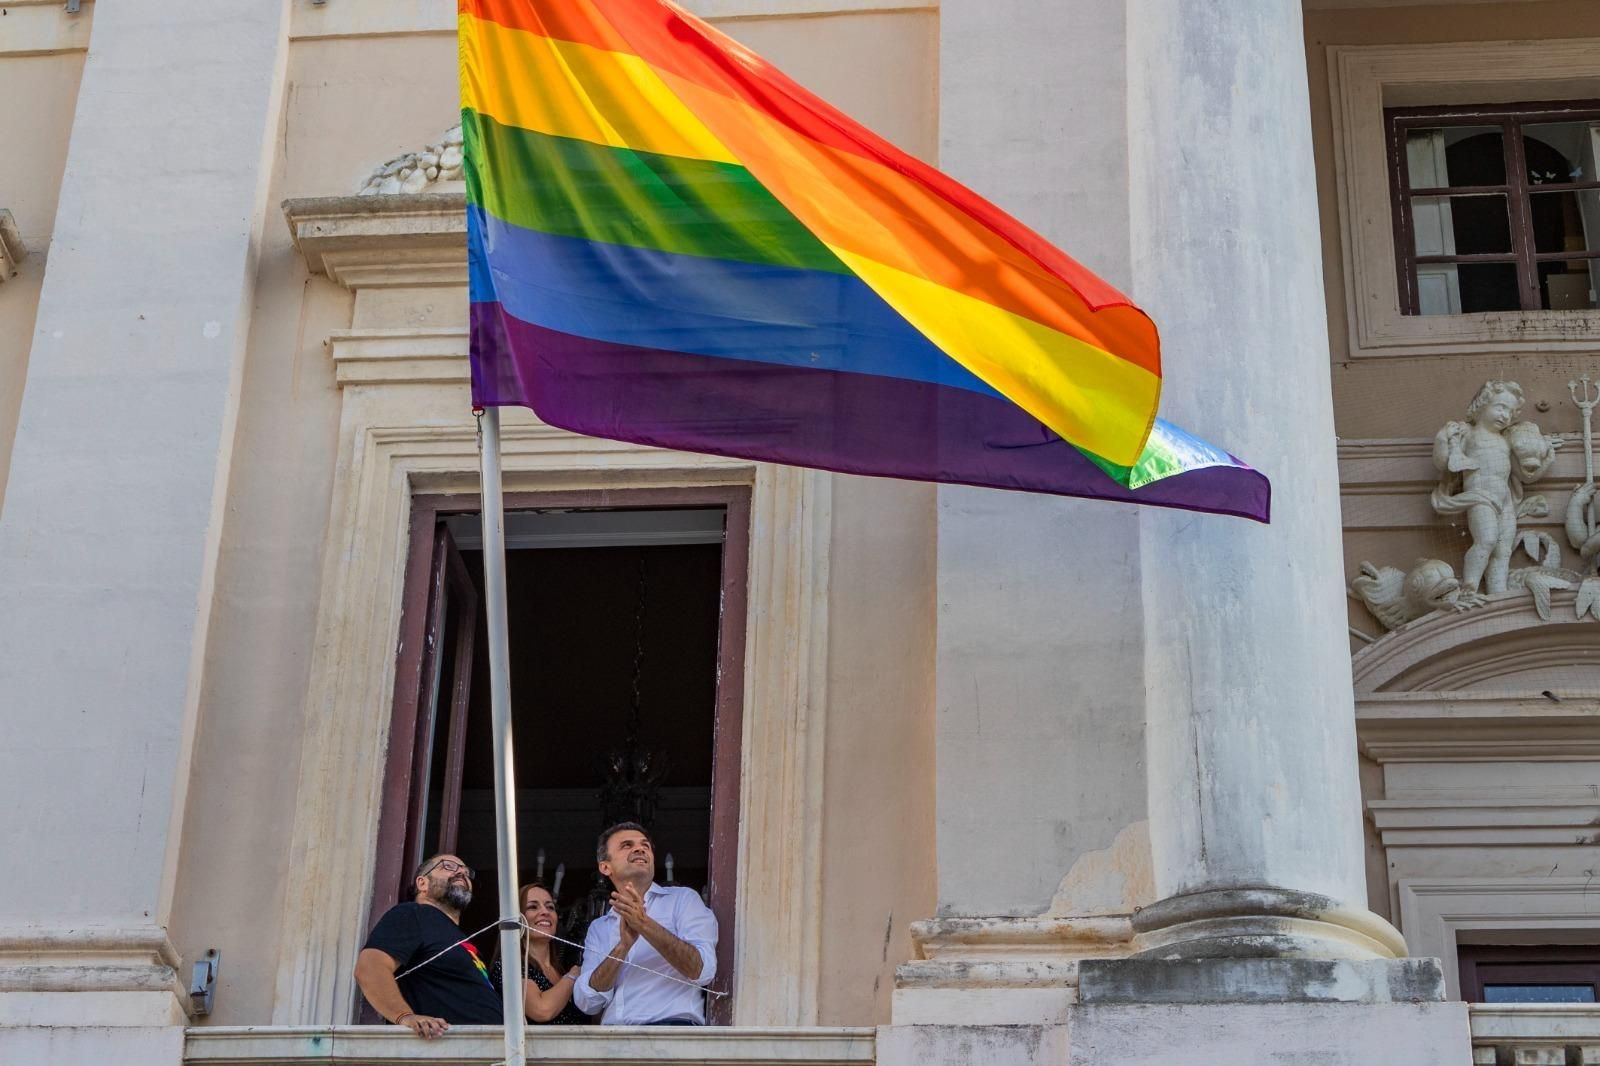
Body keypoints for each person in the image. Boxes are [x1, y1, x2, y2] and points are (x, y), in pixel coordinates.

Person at [573, 822, 719, 1025]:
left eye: (645, 845)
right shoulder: (600, 927)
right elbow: (587, 1002)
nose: (640, 848)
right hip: (613, 1042)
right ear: (605, 867)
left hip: (672, 1032)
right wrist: (622, 947)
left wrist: (644, 925)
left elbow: (702, 970)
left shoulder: (683, 900)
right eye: (626, 845)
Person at [354, 853, 502, 1037]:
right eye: (448, 866)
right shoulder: (413, 914)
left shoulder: (461, 939)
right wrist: (405, 1017)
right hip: (445, 1047)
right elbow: (370, 967)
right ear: (422, 883)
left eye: (466, 871)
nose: (461, 873)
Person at [491, 881, 589, 1025]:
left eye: (550, 907)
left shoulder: (561, 968)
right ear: (516, 918)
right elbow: (542, 1010)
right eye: (532, 907)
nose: (545, 912)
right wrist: (574, 974)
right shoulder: (509, 966)